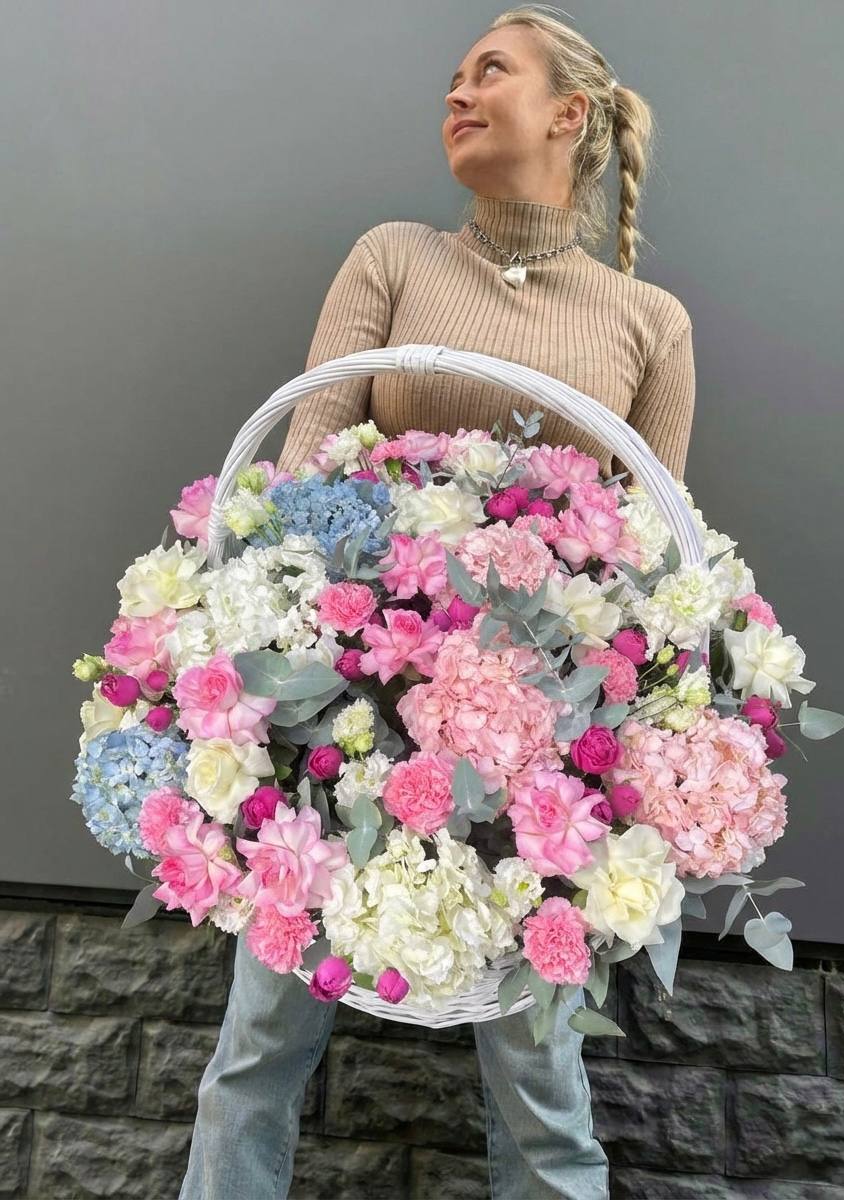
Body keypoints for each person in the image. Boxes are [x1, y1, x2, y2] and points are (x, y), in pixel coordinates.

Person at [180, 5, 696, 1199]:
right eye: (453, 77)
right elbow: (301, 473)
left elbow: (655, 567)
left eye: (489, 72)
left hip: (537, 757)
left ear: (567, 113)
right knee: (257, 1049)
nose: (456, 93)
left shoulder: (646, 322)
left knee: (540, 1083)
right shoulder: (395, 258)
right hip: (343, 722)